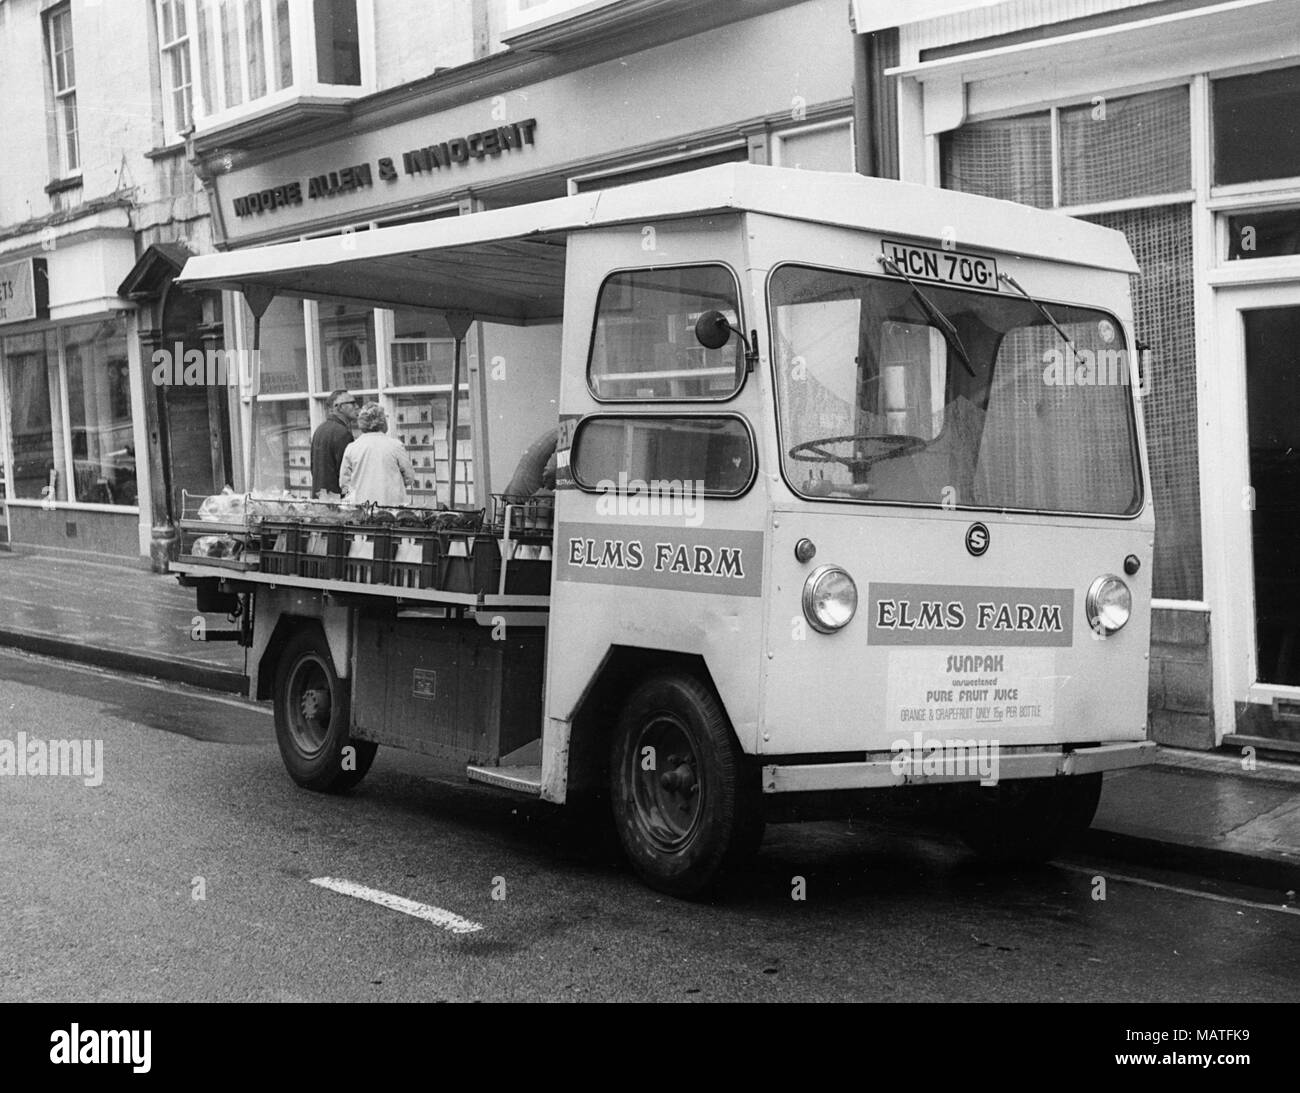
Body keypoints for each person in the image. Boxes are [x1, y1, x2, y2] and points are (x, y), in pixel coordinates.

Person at [340, 403, 415, 506]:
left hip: (362, 506)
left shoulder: (352, 447)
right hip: (392, 504)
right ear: (383, 422)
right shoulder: (395, 446)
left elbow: (344, 483)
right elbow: (409, 477)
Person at [311, 389, 358, 498]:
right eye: (352, 403)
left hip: (321, 497)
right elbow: (346, 474)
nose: (357, 406)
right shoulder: (342, 433)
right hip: (337, 500)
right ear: (339, 407)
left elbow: (314, 468)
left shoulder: (320, 429)